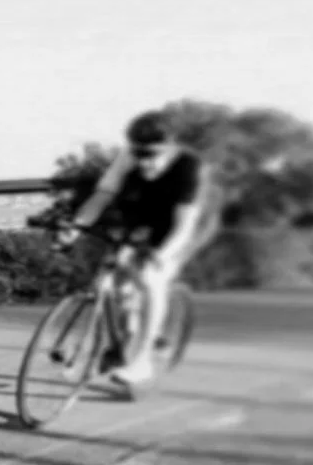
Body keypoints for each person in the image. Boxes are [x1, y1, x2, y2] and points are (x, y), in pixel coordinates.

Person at [58, 110, 221, 384]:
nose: (144, 162)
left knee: (149, 278)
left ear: (170, 149)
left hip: (188, 222)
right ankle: (129, 337)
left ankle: (142, 360)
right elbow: (102, 196)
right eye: (139, 154)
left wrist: (162, 255)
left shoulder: (187, 168)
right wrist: (75, 228)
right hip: (149, 215)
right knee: (120, 280)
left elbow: (184, 226)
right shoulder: (129, 156)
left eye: (153, 155)